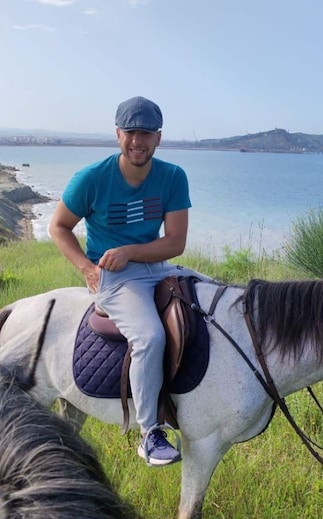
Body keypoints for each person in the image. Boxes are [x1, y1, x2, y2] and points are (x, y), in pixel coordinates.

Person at [49, 96, 203, 466]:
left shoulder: (172, 177)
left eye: (146, 133)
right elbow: (58, 227)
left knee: (216, 301)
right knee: (149, 337)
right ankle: (150, 432)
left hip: (157, 266)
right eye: (131, 132)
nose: (138, 141)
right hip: (115, 278)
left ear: (158, 138)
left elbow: (175, 243)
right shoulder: (92, 179)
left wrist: (132, 251)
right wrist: (88, 271)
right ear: (118, 134)